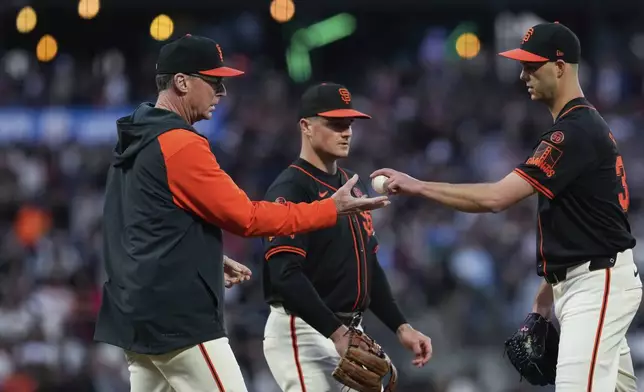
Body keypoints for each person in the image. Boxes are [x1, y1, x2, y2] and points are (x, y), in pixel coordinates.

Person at [93, 35, 390, 392]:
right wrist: (329, 208)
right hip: (178, 320)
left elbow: (135, 228)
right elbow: (247, 218)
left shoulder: (135, 138)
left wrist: (202, 256)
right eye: (214, 81)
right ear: (182, 82)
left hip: (135, 317)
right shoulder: (178, 142)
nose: (222, 92)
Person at [372, 22, 641, 391]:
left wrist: (419, 186)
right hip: (588, 279)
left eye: (533, 66)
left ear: (560, 67)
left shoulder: (572, 132)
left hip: (597, 282)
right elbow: (584, 223)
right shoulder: (577, 127)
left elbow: (497, 199)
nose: (523, 74)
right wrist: (546, 295)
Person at [261, 82, 432, 392]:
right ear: (306, 126)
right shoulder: (291, 189)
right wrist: (337, 333)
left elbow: (370, 267)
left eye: (349, 124)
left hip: (349, 331)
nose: (346, 132)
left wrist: (400, 326)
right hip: (302, 331)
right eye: (335, 123)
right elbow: (284, 276)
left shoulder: (352, 187)